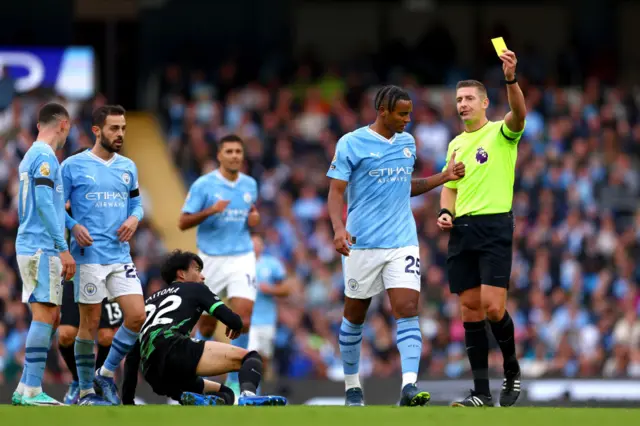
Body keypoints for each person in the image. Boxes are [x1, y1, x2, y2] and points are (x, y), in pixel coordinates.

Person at [327, 85, 465, 407]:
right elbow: (336, 192)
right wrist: (337, 228)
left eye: (410, 113)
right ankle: (352, 388)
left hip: (402, 241)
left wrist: (443, 177)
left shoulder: (407, 142)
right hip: (361, 243)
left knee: (407, 311)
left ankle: (409, 386)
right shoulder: (351, 143)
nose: (408, 119)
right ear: (383, 111)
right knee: (354, 316)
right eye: (402, 114)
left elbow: (405, 186)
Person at [437, 49, 526, 407]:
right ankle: (481, 393)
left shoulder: (501, 133)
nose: (463, 104)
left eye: (469, 98)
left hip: (494, 227)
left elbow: (519, 113)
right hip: (462, 229)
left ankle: (512, 369)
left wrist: (510, 78)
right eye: (459, 99)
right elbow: (450, 185)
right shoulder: (456, 143)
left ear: (485, 102)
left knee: (493, 308)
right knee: (469, 311)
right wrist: (445, 211)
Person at [121, 250, 287, 407]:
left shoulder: (148, 302)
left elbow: (132, 356)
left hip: (153, 373)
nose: (203, 276)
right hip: (176, 350)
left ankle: (196, 400)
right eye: (197, 270)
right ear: (182, 274)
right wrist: (235, 324)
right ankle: (249, 396)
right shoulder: (196, 289)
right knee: (251, 358)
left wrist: (128, 399)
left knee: (226, 394)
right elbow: (235, 320)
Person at [61, 105, 146, 406]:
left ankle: (106, 373)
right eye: (114, 128)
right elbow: (56, 207)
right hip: (88, 257)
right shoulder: (72, 166)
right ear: (97, 131)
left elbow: (137, 205)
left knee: (137, 316)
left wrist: (134, 219)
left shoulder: (128, 167)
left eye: (123, 128)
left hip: (120, 256)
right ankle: (85, 392)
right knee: (90, 324)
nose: (120, 133)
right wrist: (73, 225)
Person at [178, 134, 260, 395]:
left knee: (243, 317)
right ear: (219, 156)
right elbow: (182, 222)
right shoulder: (204, 185)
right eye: (229, 151)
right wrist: (211, 211)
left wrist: (254, 217)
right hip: (210, 258)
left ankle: (238, 380)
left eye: (238, 151)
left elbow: (250, 211)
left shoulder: (250, 184)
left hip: (242, 256)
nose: (235, 155)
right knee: (207, 325)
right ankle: (200, 376)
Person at [12, 102, 75, 406]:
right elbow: (43, 203)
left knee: (48, 315)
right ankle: (33, 388)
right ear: (64, 124)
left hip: (30, 243)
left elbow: (48, 202)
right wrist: (63, 249)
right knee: (46, 314)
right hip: (42, 246)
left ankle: (25, 387)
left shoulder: (31, 155)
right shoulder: (46, 156)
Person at [247, 233, 292, 388]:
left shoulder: (271, 264)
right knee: (251, 355)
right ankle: (252, 391)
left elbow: (286, 289)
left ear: (262, 246)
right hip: (248, 320)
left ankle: (261, 386)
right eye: (252, 243)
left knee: (264, 359)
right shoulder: (241, 265)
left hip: (267, 319)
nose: (255, 246)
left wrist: (271, 289)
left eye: (258, 243)